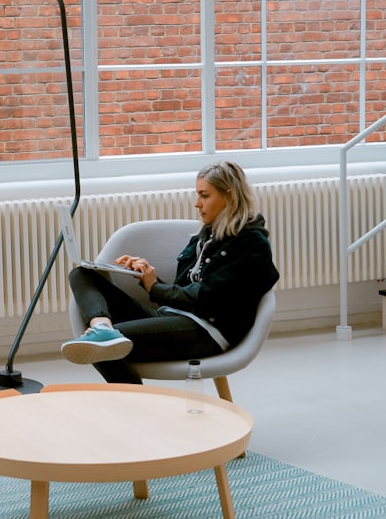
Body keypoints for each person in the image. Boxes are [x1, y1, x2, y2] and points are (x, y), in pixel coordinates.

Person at [60, 161, 280, 384]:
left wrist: (155, 288)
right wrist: (148, 277)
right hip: (174, 316)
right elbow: (186, 291)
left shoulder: (252, 244)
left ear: (229, 196)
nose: (197, 203)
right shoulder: (205, 236)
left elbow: (207, 298)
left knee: (102, 348)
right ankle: (102, 327)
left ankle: (137, 406)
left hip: (206, 331)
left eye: (204, 195)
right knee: (82, 274)